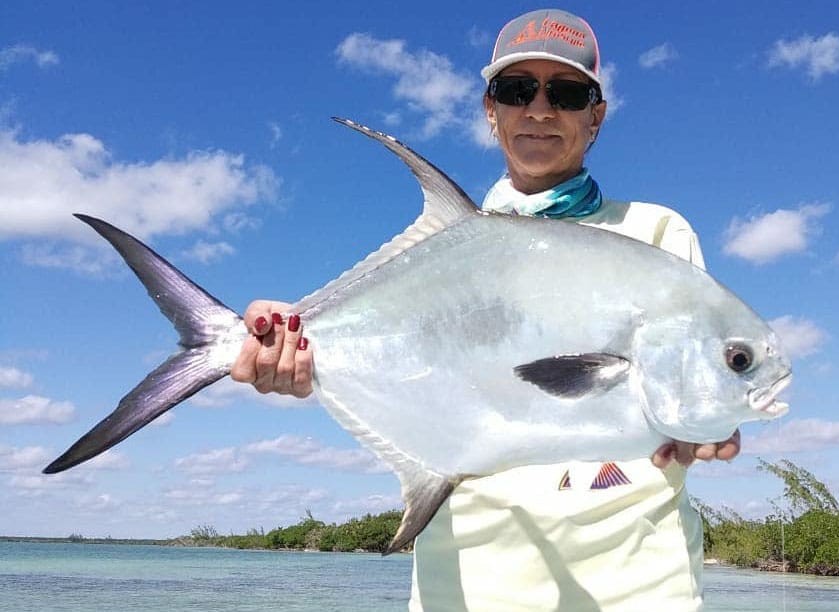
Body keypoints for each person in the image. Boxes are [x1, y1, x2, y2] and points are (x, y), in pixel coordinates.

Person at [231, 9, 739, 611]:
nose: (541, 110)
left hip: (641, 589)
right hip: (467, 587)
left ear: (596, 115)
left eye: (568, 92)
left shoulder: (656, 233)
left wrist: (712, 416)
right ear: (490, 111)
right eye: (516, 89)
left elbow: (697, 378)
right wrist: (293, 342)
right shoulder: (451, 245)